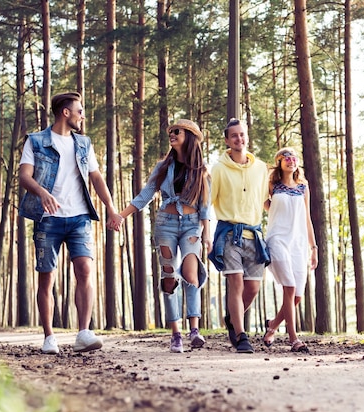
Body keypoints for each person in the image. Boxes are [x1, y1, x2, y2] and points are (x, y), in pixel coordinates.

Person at [19, 91, 118, 354]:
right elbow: (24, 177)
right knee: (46, 279)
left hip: (79, 218)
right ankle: (49, 337)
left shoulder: (84, 144)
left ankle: (83, 333)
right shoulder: (36, 141)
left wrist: (110, 208)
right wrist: (42, 193)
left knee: (85, 270)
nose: (83, 115)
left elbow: (96, 179)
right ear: (66, 112)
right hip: (47, 218)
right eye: (80, 110)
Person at [107, 119, 211, 353]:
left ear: (190, 136)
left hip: (192, 226)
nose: (171, 135)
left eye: (176, 131)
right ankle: (176, 334)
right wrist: (121, 216)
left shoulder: (202, 170)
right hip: (166, 223)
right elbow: (145, 195)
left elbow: (206, 206)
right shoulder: (163, 166)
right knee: (168, 275)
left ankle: (194, 329)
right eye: (170, 132)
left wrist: (208, 235)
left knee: (191, 273)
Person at [208, 118, 270, 354]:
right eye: (234, 136)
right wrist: (204, 234)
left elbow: (265, 201)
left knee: (252, 288)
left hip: (254, 235)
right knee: (235, 283)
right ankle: (242, 336)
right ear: (227, 140)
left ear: (247, 137)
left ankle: (233, 319)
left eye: (242, 134)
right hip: (228, 233)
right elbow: (208, 203)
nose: (239, 139)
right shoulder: (219, 169)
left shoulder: (261, 168)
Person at [262, 148, 317, 353]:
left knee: (297, 296)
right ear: (279, 162)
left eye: (294, 158)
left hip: (299, 243)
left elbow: (307, 218)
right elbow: (265, 204)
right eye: (286, 158)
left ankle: (272, 326)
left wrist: (314, 247)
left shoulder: (303, 187)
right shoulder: (272, 185)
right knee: (289, 286)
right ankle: (293, 339)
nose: (291, 160)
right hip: (277, 239)